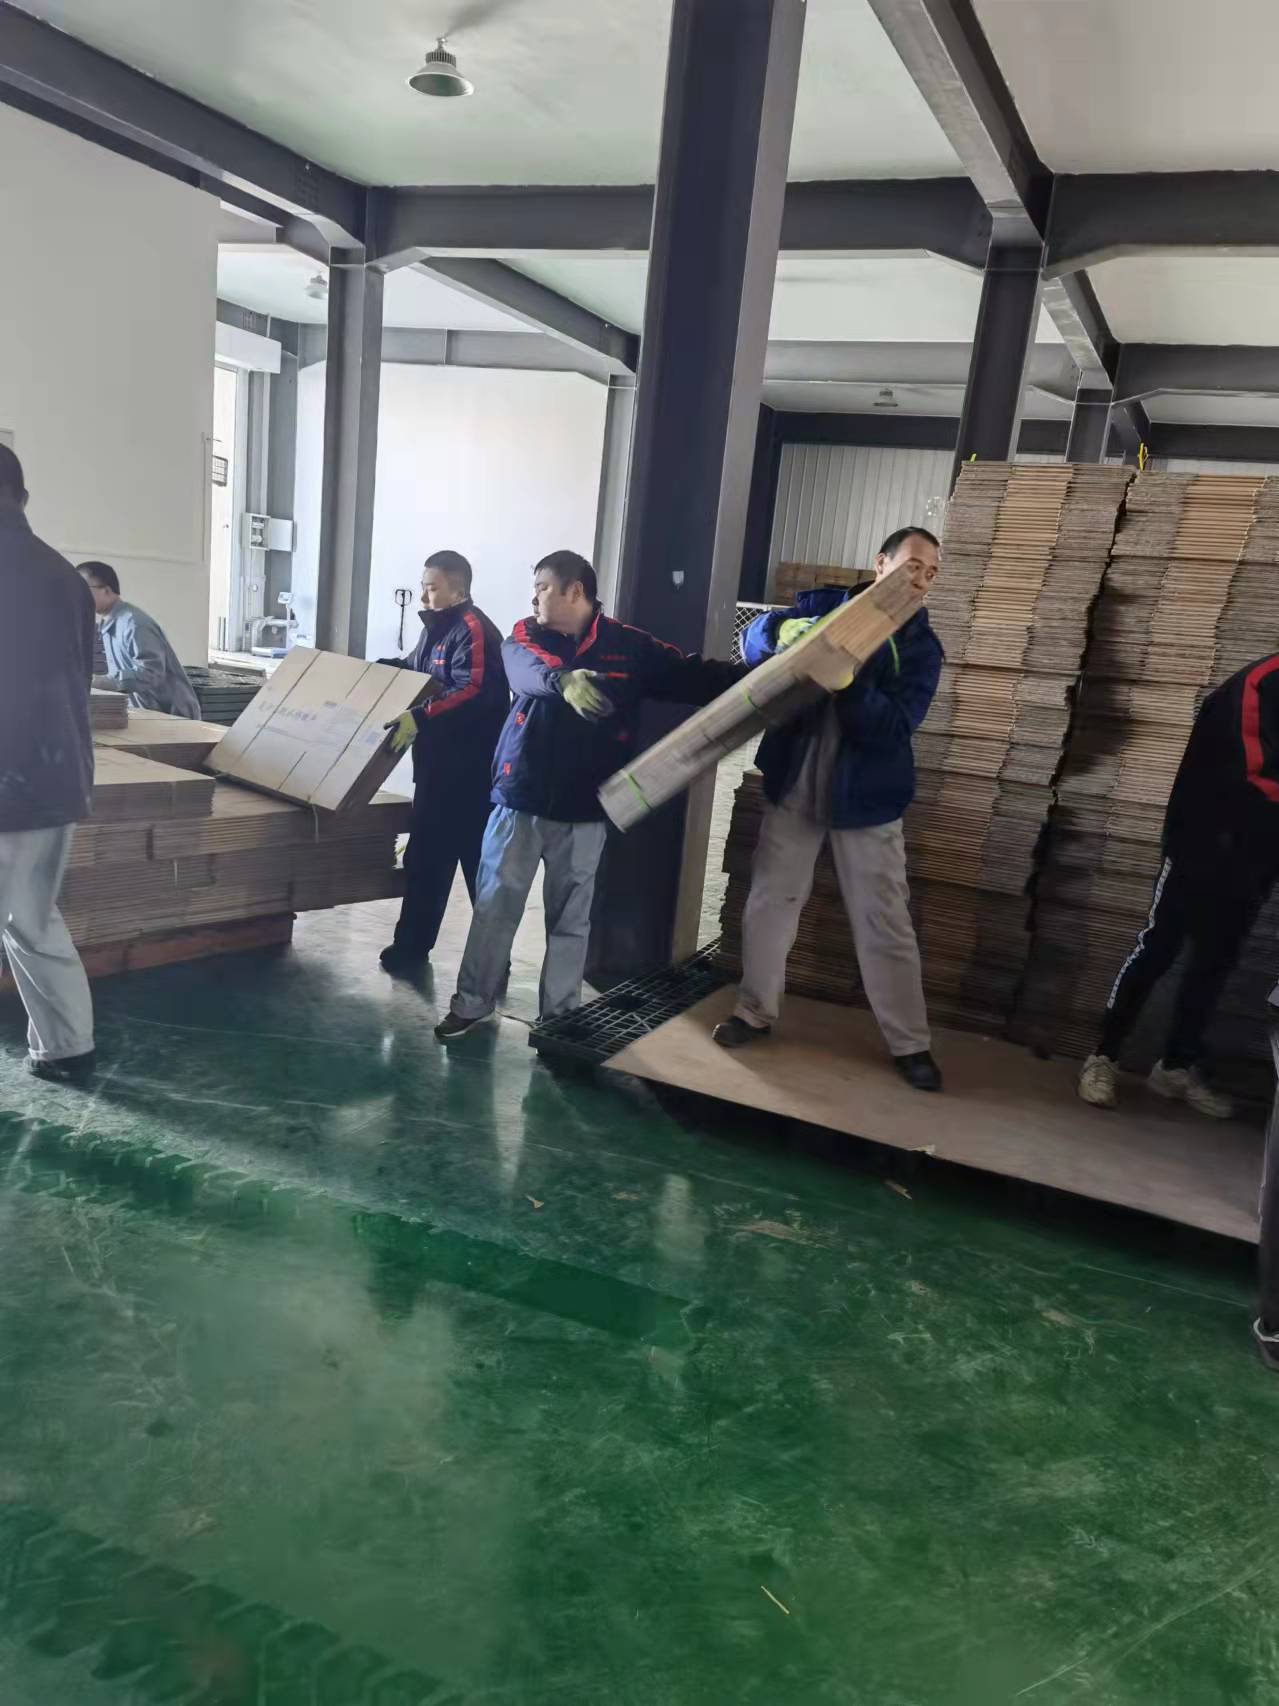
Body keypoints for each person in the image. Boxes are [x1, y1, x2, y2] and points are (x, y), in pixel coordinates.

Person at [435, 550, 743, 1040]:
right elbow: (522, 669)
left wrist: (767, 673)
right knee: (495, 907)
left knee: (570, 921)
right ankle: (472, 1002)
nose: (534, 598)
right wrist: (562, 681)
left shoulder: (629, 646)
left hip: (584, 808)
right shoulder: (526, 634)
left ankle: (559, 1018)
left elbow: (692, 675)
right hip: (520, 799)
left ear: (574, 590)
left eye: (542, 587)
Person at [712, 527, 945, 1093]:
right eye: (913, 565)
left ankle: (910, 1043)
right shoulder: (822, 607)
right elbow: (752, 644)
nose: (920, 580)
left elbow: (894, 728)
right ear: (881, 563)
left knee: (883, 919)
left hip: (867, 797)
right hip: (796, 781)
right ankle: (753, 1012)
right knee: (770, 902)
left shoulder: (920, 648)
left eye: (931, 573)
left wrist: (850, 685)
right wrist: (780, 633)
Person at [1078, 653, 1279, 1120]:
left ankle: (1175, 1067)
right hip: (1204, 840)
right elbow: (1255, 769)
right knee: (1158, 948)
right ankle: (1104, 1055)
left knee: (1216, 962)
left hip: (1257, 854)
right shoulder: (1261, 682)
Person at [0, 446, 97, 1084]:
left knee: (27, 920)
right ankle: (66, 1047)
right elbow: (79, 679)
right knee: (31, 919)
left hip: (8, 777)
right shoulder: (65, 576)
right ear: (24, 497)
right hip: (55, 775)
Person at [378, 550, 508, 977]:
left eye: (431, 588)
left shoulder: (474, 630)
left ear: (458, 590)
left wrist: (420, 716)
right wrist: (382, 672)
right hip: (436, 770)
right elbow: (420, 674)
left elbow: (472, 690)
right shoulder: (435, 630)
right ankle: (411, 947)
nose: (423, 596)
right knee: (425, 860)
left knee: (477, 867)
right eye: (423, 587)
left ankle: (494, 962)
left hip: (471, 773)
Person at [79, 561, 201, 719]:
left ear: (107, 590)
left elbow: (151, 673)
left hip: (174, 716)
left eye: (83, 589)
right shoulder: (108, 624)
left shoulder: (134, 624)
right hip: (148, 714)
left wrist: (99, 682)